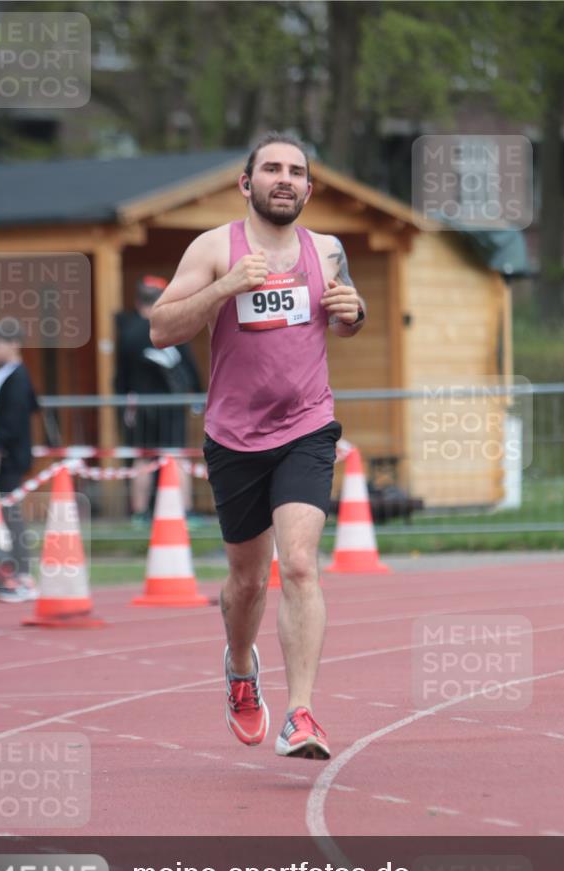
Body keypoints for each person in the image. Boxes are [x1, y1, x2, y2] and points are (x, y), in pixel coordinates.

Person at [149, 132, 366, 759]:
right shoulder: (216, 247)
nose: (284, 179)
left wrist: (354, 312)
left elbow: (345, 319)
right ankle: (241, 668)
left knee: (298, 563)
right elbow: (162, 328)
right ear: (247, 184)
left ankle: (301, 714)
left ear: (308, 188)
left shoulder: (326, 250)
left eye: (296, 171)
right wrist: (224, 289)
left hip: (307, 425)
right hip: (235, 437)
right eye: (271, 168)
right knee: (247, 582)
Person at [114, 276, 202, 520]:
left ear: (137, 300)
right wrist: (197, 392)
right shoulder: (169, 328)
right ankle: (185, 510)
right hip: (170, 407)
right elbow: (190, 370)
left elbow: (120, 376)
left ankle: (140, 513)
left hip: (139, 406)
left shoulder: (128, 332)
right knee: (175, 457)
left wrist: (120, 407)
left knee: (142, 459)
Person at [0, 320, 40, 600]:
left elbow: (13, 419)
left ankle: (24, 576)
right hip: (3, 449)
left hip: (9, 454)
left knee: (12, 513)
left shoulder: (17, 376)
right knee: (8, 513)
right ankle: (17, 572)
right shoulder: (3, 374)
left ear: (13, 344)